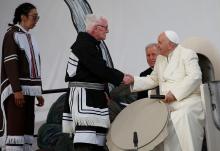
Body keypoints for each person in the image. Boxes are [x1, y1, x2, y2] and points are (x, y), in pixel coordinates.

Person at [125, 30, 204, 151]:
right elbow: (153, 79)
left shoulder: (187, 54)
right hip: (167, 103)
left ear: (170, 45)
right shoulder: (161, 58)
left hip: (188, 100)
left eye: (160, 42)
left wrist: (175, 94)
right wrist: (134, 81)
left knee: (180, 116)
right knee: (155, 120)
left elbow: (195, 77)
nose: (157, 45)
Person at [62, 14, 129, 151]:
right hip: (84, 96)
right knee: (86, 138)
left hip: (94, 95)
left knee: (97, 139)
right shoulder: (84, 44)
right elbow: (99, 68)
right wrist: (121, 77)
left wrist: (104, 91)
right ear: (96, 28)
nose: (107, 31)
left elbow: (95, 72)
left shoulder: (92, 44)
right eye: (106, 28)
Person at [0, 3, 44, 151]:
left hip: (29, 92)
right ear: (22, 17)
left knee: (27, 129)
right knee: (16, 130)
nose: (36, 20)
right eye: (34, 17)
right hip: (16, 92)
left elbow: (36, 67)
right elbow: (10, 65)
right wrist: (16, 90)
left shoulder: (30, 37)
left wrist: (39, 93)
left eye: (37, 17)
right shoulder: (11, 35)